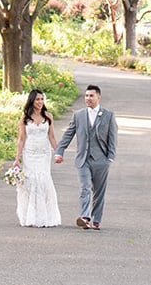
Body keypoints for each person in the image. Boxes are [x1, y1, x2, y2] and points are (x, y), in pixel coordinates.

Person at [53, 83, 118, 230]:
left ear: (98, 97)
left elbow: (113, 138)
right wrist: (59, 151)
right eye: (86, 95)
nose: (88, 98)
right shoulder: (78, 115)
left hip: (101, 160)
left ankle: (97, 219)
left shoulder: (108, 115)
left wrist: (110, 158)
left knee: (99, 192)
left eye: (91, 96)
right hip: (83, 160)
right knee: (85, 188)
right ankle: (85, 217)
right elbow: (68, 134)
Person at [14, 88, 61, 227]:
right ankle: (31, 216)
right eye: (37, 99)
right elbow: (21, 139)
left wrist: (58, 152)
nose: (40, 102)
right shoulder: (25, 118)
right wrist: (17, 159)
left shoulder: (48, 116)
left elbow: (51, 136)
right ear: (32, 101)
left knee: (43, 181)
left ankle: (44, 216)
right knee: (30, 182)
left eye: (42, 99)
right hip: (30, 153)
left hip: (44, 153)